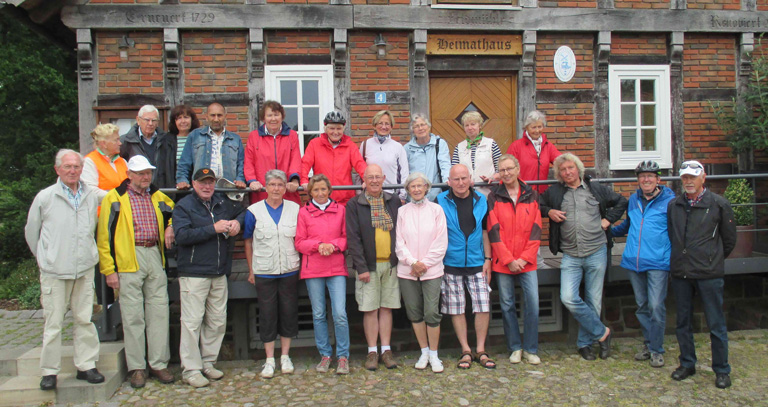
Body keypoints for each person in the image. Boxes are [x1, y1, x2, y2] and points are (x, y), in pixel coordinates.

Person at [25, 149, 104, 391]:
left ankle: (86, 365)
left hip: (83, 269)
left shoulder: (91, 194)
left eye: (76, 167)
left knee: (84, 319)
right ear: (57, 169)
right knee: (53, 323)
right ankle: (49, 371)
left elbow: (116, 197)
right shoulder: (46, 197)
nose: (73, 171)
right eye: (67, 167)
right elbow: (32, 231)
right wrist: (45, 258)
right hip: (55, 271)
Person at [97, 155, 176, 388]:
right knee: (132, 316)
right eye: (140, 173)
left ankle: (159, 363)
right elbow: (103, 238)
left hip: (154, 254)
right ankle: (137, 367)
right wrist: (108, 270)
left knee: (159, 312)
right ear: (129, 174)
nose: (145, 177)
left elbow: (176, 215)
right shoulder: (114, 198)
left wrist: (170, 227)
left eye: (148, 172)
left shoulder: (158, 196)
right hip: (128, 258)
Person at [539, 153, 627, 361]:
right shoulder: (555, 192)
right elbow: (537, 204)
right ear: (559, 174)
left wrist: (608, 220)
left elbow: (622, 202)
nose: (568, 172)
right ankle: (603, 333)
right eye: (563, 170)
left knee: (593, 301)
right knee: (568, 297)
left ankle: (585, 344)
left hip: (596, 251)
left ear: (578, 169)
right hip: (570, 254)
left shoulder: (595, 189)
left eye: (571, 168)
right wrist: (549, 211)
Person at [667, 160, 736, 389]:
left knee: (716, 323)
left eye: (692, 177)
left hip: (708, 273)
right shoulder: (674, 205)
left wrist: (710, 258)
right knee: (682, 322)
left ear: (703, 178)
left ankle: (722, 369)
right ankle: (687, 363)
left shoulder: (718, 204)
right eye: (685, 177)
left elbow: (729, 241)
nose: (688, 181)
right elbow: (673, 235)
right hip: (681, 272)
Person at [173, 167, 245, 388]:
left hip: (218, 271)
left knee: (216, 321)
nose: (207, 186)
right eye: (203, 182)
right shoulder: (184, 206)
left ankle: (208, 362)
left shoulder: (222, 202)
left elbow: (242, 210)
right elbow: (182, 236)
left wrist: (237, 223)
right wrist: (212, 228)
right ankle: (191, 369)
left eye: (210, 182)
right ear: (194, 184)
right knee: (192, 323)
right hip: (194, 273)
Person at [610, 160, 675, 368]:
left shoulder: (670, 201)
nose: (646, 179)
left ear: (658, 179)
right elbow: (626, 226)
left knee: (656, 306)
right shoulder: (633, 200)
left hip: (658, 262)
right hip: (633, 261)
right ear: (638, 180)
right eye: (642, 176)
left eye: (650, 176)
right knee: (642, 306)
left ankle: (657, 349)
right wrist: (603, 230)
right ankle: (649, 344)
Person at [436, 164, 496, 370]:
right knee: (456, 308)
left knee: (482, 306)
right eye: (456, 179)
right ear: (449, 182)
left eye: (464, 178)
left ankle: (481, 349)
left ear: (470, 179)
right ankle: (465, 350)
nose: (460, 183)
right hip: (450, 262)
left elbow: (486, 231)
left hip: (477, 261)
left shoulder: (481, 200)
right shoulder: (440, 201)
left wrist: (488, 258)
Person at [243, 170, 301, 379]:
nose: (276, 189)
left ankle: (285, 356)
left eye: (280, 185)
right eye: (273, 185)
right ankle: (269, 359)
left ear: (286, 188)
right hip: (264, 271)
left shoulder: (295, 209)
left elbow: (301, 238)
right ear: (266, 187)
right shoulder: (253, 211)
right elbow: (248, 241)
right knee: (267, 314)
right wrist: (251, 270)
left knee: (288, 312)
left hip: (289, 270)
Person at [487, 155, 543, 365]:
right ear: (499, 174)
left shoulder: (532, 195)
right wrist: (509, 259)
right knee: (507, 304)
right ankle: (515, 347)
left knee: (533, 304)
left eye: (510, 169)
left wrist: (524, 258)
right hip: (504, 262)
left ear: (518, 169)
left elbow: (537, 230)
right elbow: (493, 230)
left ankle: (530, 348)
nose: (507, 173)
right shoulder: (494, 196)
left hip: (527, 261)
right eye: (502, 170)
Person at [346, 164, 402, 370]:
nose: (375, 181)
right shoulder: (355, 204)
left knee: (386, 307)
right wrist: (360, 267)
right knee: (370, 309)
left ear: (384, 178)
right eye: (371, 177)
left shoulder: (393, 201)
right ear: (364, 179)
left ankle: (386, 350)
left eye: (378, 177)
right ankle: (372, 351)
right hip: (368, 266)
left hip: (390, 263)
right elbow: (353, 238)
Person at [295, 174, 350, 375]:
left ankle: (343, 356)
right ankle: (325, 355)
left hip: (335, 267)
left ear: (329, 191)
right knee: (318, 314)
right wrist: (319, 246)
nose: (320, 193)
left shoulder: (341, 210)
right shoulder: (304, 213)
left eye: (323, 189)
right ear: (310, 193)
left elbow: (346, 238)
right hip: (313, 269)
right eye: (315, 190)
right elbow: (299, 242)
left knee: (340, 314)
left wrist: (333, 246)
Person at [395, 172, 448, 373]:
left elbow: (441, 241)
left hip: (432, 270)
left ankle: (434, 354)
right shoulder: (402, 212)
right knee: (414, 312)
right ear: (408, 190)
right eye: (412, 186)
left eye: (420, 186)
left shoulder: (436, 210)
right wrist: (412, 262)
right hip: (407, 271)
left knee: (431, 312)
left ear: (426, 187)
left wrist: (424, 264)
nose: (416, 189)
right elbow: (399, 242)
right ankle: (424, 351)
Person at [300, 111, 367, 206]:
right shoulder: (314, 144)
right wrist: (304, 180)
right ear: (325, 129)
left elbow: (360, 164)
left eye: (339, 129)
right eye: (332, 128)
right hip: (321, 199)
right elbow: (305, 163)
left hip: (345, 200)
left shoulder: (350, 146)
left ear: (343, 129)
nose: (335, 132)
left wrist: (366, 179)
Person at [244, 100, 302, 205]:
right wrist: (252, 181)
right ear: (264, 118)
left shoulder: (292, 135)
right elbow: (248, 162)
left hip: (286, 190)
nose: (273, 119)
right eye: (269, 115)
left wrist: (294, 180)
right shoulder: (254, 136)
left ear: (282, 117)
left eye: (276, 115)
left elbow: (295, 159)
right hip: (262, 190)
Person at [176, 102, 246, 189]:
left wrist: (240, 180)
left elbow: (241, 164)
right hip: (202, 190)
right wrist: (182, 181)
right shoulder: (195, 136)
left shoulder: (235, 139)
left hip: (229, 190)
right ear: (206, 117)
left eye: (219, 115)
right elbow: (184, 163)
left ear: (225, 116)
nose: (216, 119)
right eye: (212, 115)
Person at [120, 104, 176, 188]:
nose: (150, 123)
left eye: (154, 120)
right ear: (138, 120)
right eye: (147, 120)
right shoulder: (125, 141)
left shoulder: (167, 140)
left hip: (162, 191)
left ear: (158, 122)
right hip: (136, 190)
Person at [506, 110, 561, 194]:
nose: (537, 131)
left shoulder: (548, 146)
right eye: (533, 127)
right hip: (522, 193)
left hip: (542, 194)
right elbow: (507, 167)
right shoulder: (516, 146)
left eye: (540, 127)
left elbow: (561, 161)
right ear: (526, 127)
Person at [360, 110, 409, 202]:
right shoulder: (365, 144)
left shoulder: (398, 147)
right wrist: (360, 192)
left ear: (391, 127)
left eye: (387, 124)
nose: (384, 127)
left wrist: (402, 196)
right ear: (375, 125)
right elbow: (360, 168)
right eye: (380, 123)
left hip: (391, 196)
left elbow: (404, 173)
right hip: (369, 195)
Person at [451, 111, 501, 196]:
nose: (470, 128)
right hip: (466, 194)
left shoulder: (491, 144)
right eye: (466, 125)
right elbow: (454, 171)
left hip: (488, 193)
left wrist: (492, 178)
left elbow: (500, 169)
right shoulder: (459, 147)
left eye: (473, 124)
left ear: (480, 126)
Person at [403, 114, 451, 202]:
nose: (420, 128)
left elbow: (445, 163)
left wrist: (447, 179)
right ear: (413, 130)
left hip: (435, 196)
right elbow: (405, 172)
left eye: (423, 125)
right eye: (416, 126)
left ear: (428, 126)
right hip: (415, 197)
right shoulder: (407, 148)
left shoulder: (440, 144)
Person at [82, 123, 128, 202]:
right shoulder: (89, 161)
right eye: (116, 140)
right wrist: (117, 197)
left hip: (123, 212)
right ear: (104, 144)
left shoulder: (122, 161)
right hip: (102, 212)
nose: (120, 143)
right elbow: (90, 191)